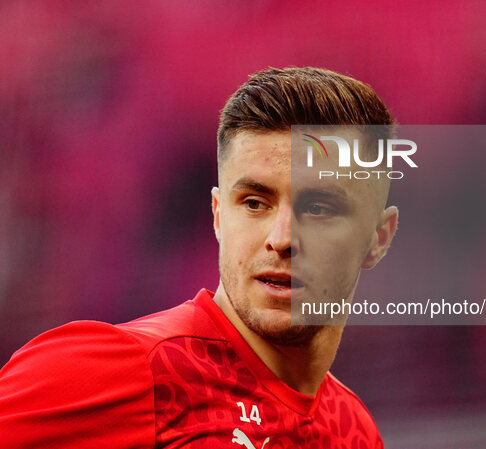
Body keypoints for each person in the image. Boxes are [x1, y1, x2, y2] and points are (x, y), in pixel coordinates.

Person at [0, 67, 398, 448]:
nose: (282, 239)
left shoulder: (354, 430)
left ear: (378, 238)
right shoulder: (124, 369)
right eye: (255, 202)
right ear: (219, 216)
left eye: (319, 209)